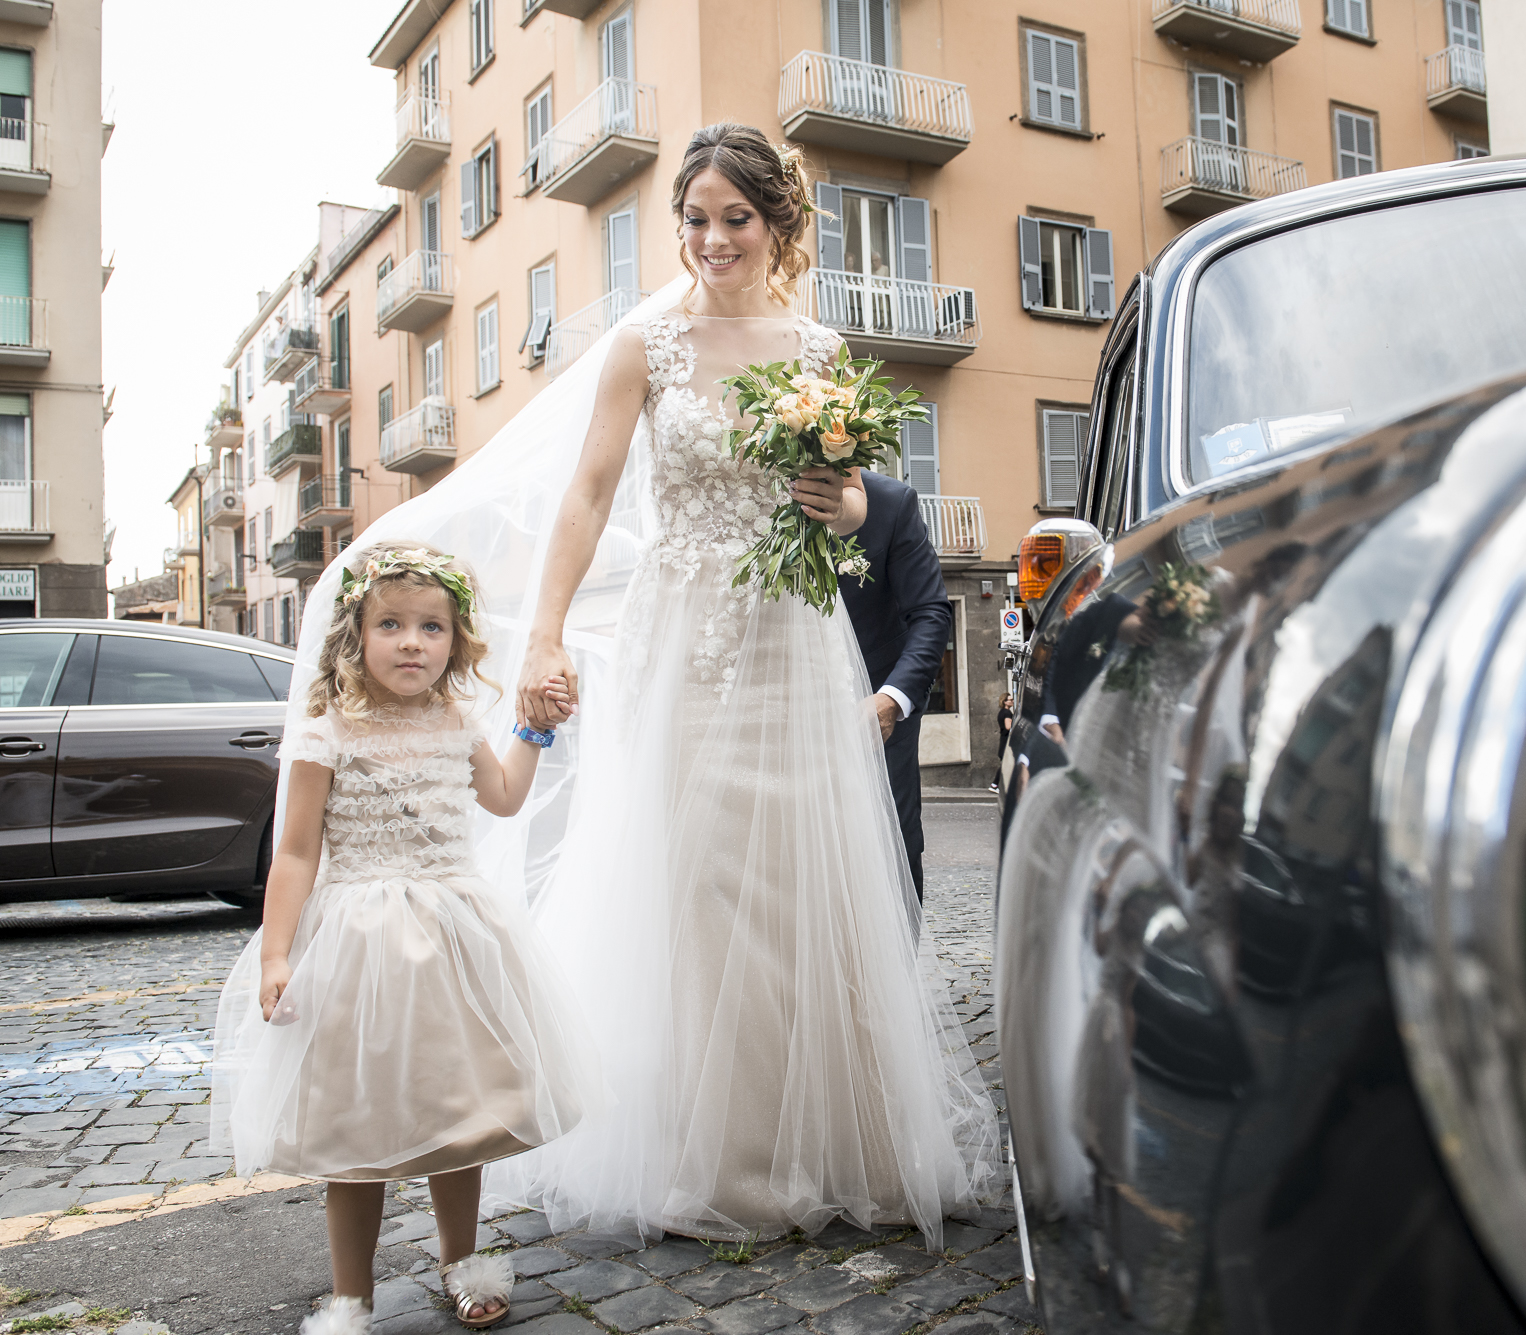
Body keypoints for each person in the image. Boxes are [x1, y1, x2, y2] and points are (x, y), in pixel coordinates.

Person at [485, 124, 998, 1248]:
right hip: (686, 642)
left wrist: (847, 508)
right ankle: (718, 1152)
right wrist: (545, 635)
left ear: (776, 227)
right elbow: (584, 495)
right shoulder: (642, 345)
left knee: (805, 877)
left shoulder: (815, 346)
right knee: (702, 879)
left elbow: (855, 497)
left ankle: (835, 1138)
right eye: (695, 218)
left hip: (792, 638)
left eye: (735, 218)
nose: (712, 239)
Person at [208, 546, 592, 1334]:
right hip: (358, 947)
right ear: (356, 633)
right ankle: (351, 1295)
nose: (413, 641)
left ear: (456, 641)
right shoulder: (326, 730)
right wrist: (277, 952)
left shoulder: (456, 720)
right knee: (355, 1131)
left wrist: (534, 728)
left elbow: (507, 798)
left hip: (456, 940)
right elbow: (296, 852)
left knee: (463, 1116)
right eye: (391, 624)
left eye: (431, 627)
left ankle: (465, 1259)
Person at [809, 467, 950, 898]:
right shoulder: (751, 496)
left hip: (872, 718)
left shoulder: (891, 503)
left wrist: (891, 700)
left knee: (890, 857)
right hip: (776, 712)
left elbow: (930, 612)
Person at [991, 692, 1015, 792]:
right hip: (1006, 740)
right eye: (1010, 700)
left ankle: (996, 785)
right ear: (1005, 702)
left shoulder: (1001, 712)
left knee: (1005, 764)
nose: (1012, 701)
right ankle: (994, 785)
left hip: (1003, 739)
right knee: (1005, 764)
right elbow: (1008, 727)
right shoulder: (1007, 713)